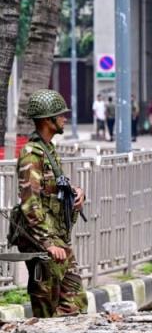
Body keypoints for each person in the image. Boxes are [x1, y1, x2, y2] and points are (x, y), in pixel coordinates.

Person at [17, 89, 87, 317]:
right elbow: (30, 202)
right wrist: (47, 244)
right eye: (60, 115)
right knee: (47, 305)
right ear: (48, 120)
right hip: (44, 242)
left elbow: (52, 188)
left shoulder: (48, 151)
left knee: (74, 301)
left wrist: (76, 192)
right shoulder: (32, 154)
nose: (64, 118)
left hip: (57, 236)